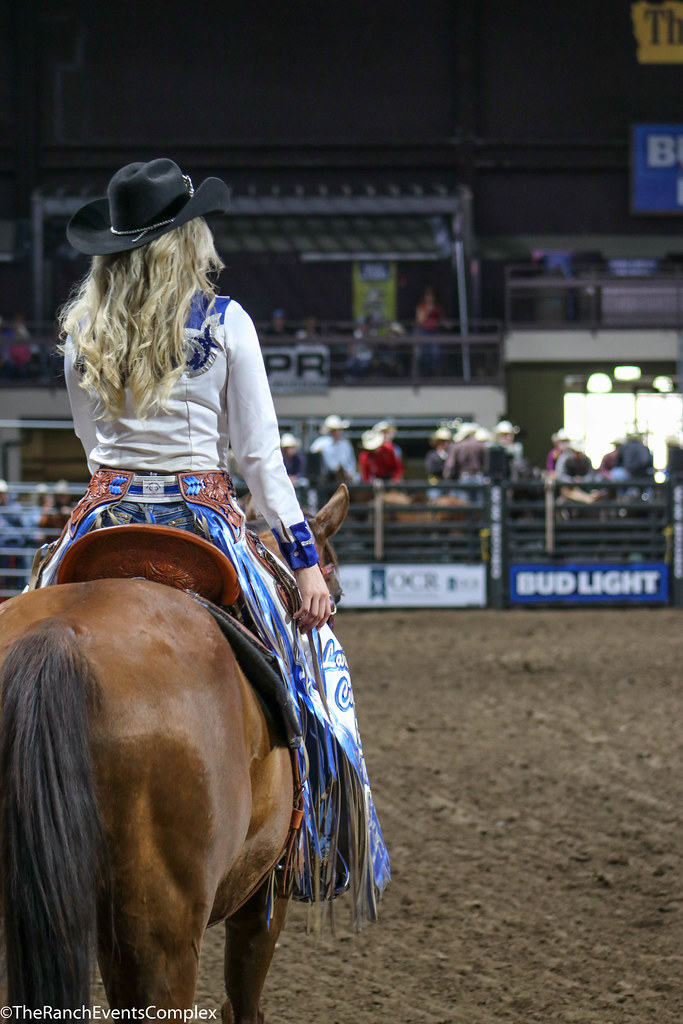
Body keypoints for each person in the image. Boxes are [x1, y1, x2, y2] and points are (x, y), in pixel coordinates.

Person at [30, 158, 389, 915]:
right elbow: (260, 458)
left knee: (33, 617)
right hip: (204, 522)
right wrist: (305, 565)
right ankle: (314, 833)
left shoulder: (78, 330)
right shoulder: (225, 323)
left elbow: (90, 441)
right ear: (184, 240)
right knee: (304, 663)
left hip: (103, 518)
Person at [310, 413, 358, 484]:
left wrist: (350, 474)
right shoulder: (322, 442)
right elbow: (313, 452)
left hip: (346, 477)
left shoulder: (345, 444)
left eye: (339, 430)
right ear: (330, 431)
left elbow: (351, 462)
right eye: (334, 430)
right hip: (328, 478)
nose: (337, 432)